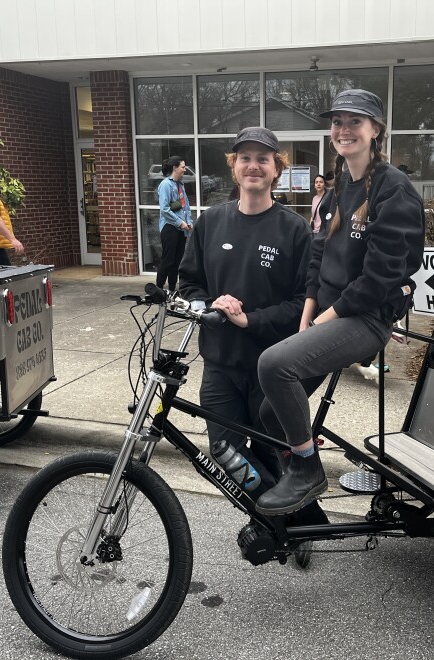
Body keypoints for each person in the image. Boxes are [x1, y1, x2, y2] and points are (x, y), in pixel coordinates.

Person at [255, 90, 425, 515]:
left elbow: (379, 278)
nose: (344, 130)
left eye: (355, 122)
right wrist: (309, 311)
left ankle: (308, 471)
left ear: (376, 130)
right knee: (271, 416)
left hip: (365, 319)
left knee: (274, 366)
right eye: (338, 122)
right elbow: (318, 255)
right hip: (331, 315)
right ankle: (297, 504)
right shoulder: (338, 188)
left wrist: (325, 318)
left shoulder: (393, 190)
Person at [179, 127, 322, 513]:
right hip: (219, 363)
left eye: (263, 159)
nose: (254, 166)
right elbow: (189, 283)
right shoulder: (209, 223)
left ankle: (301, 523)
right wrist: (207, 304)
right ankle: (270, 519)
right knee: (224, 453)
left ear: (277, 169)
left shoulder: (295, 231)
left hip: (270, 368)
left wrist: (251, 321)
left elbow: (302, 304)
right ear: (234, 167)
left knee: (275, 452)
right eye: (245, 158)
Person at [156, 156, 193, 290]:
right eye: (182, 167)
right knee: (168, 260)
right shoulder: (166, 184)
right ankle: (159, 288)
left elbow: (185, 206)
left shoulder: (180, 184)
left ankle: (172, 289)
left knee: (177, 260)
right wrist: (180, 222)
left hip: (181, 228)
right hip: (170, 227)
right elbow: (164, 209)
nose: (184, 170)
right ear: (175, 168)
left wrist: (189, 222)